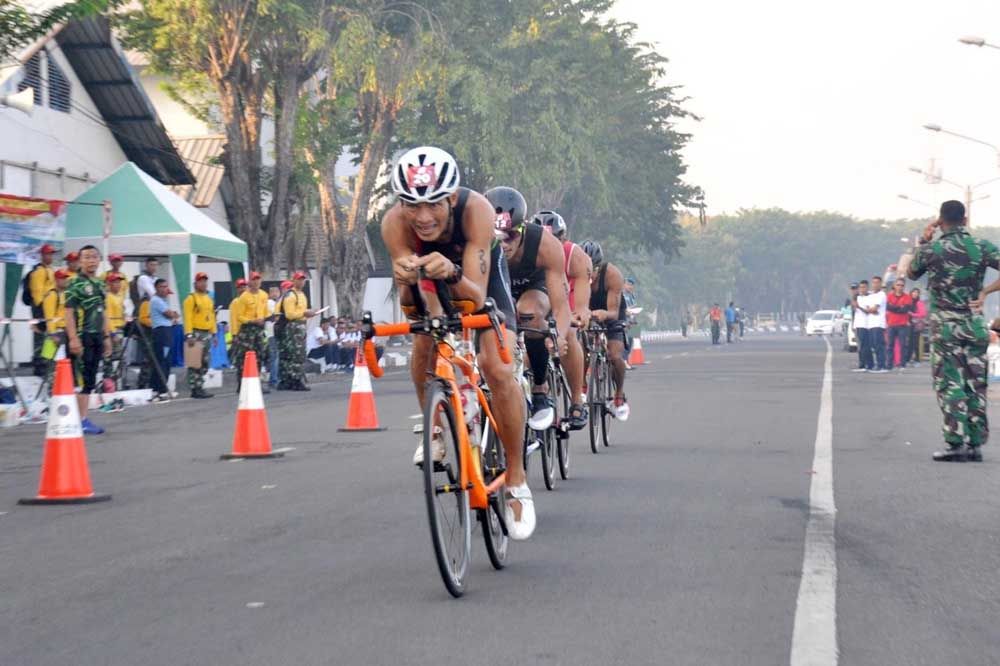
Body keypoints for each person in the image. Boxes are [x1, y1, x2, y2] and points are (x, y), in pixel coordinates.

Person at [381, 146, 532, 540]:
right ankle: (434, 430)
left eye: (433, 203)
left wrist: (450, 272)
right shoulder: (394, 225)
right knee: (424, 342)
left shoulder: (477, 210)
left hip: (481, 280)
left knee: (497, 367)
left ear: (451, 197)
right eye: (412, 205)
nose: (423, 217)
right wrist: (408, 281)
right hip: (430, 281)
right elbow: (410, 306)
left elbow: (476, 299)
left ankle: (516, 478)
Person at [908, 200, 1000, 462]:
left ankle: (955, 442)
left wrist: (924, 240)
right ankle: (975, 444)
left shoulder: (932, 249)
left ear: (940, 221)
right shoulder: (980, 246)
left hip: (945, 328)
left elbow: (912, 273)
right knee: (975, 384)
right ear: (965, 219)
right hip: (974, 324)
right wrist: (985, 292)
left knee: (950, 384)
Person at [490, 187, 571, 428]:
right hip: (496, 283)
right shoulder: (474, 236)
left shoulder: (546, 245)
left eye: (511, 235)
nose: (504, 244)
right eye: (497, 236)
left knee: (529, 312)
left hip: (534, 286)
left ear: (523, 228)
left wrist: (559, 335)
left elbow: (561, 305)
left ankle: (539, 387)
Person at [533, 209, 591, 430]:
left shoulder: (575, 256)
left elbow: (581, 300)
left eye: (554, 239)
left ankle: (577, 401)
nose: (549, 245)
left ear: (563, 238)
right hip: (537, 299)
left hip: (566, 300)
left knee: (569, 333)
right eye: (543, 239)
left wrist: (581, 312)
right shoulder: (524, 251)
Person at [63, 245, 111, 435]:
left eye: (94, 257)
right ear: (80, 261)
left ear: (99, 260)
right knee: (81, 379)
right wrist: (73, 338)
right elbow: (68, 313)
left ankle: (82, 419)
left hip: (97, 336)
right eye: (87, 257)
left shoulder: (100, 284)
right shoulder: (74, 283)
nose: (91, 260)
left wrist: (106, 336)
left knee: (90, 377)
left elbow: (103, 312)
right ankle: (79, 420)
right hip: (82, 336)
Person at [582, 239, 631, 420]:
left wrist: (604, 314)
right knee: (580, 346)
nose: (590, 275)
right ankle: (582, 386)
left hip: (612, 311)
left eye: (593, 269)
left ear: (600, 266)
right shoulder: (575, 273)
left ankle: (619, 394)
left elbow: (613, 312)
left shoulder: (612, 275)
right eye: (586, 270)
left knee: (614, 355)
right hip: (588, 310)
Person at [277, 271, 316, 391]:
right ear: (294, 281)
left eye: (303, 279)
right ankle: (296, 380)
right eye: (299, 279)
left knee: (296, 354)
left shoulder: (302, 295)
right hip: (293, 327)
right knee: (296, 355)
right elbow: (289, 314)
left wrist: (308, 313)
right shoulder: (291, 295)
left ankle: (288, 380)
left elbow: (301, 311)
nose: (301, 282)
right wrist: (304, 313)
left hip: (300, 326)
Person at [232, 271, 270, 393]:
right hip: (247, 330)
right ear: (250, 282)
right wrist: (252, 321)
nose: (256, 282)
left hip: (259, 330)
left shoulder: (264, 295)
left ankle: (255, 384)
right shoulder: (244, 297)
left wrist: (267, 318)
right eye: (254, 279)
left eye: (258, 279)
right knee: (244, 358)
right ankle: (242, 384)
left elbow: (265, 312)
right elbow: (239, 316)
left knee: (259, 357)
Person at [183, 272, 216, 399]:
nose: (203, 283)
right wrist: (189, 334)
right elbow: (187, 317)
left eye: (205, 281)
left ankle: (199, 384)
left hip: (206, 332)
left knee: (204, 361)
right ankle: (196, 388)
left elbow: (211, 316)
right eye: (200, 281)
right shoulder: (191, 298)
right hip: (196, 332)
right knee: (194, 362)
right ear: (195, 284)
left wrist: (214, 333)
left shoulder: (208, 298)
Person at [28, 243, 57, 376]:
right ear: (42, 255)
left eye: (51, 254)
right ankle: (39, 368)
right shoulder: (39, 272)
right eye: (48, 254)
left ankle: (45, 365)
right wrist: (41, 313)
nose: (50, 256)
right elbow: (37, 295)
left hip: (49, 311)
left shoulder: (50, 270)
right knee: (39, 339)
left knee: (48, 339)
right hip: (40, 311)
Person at [149, 278, 179, 402]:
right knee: (163, 361)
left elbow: (173, 315)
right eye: (162, 286)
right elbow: (170, 314)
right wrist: (173, 314)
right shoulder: (156, 300)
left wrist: (173, 314)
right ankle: (160, 390)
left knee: (165, 361)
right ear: (156, 288)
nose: (165, 289)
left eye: (166, 286)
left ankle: (158, 389)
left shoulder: (162, 301)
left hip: (165, 331)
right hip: (162, 332)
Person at [41, 268, 70, 392]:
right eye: (62, 278)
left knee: (62, 363)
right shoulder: (52, 295)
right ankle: (50, 391)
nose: (65, 280)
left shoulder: (65, 294)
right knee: (51, 365)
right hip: (55, 334)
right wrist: (52, 334)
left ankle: (60, 390)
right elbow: (49, 317)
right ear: (56, 280)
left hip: (64, 332)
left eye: (66, 278)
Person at [134, 257, 159, 389]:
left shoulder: (156, 279)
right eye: (151, 265)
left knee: (155, 353)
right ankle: (142, 382)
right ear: (146, 265)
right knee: (148, 354)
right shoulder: (143, 278)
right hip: (145, 317)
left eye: (155, 265)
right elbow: (154, 293)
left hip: (155, 316)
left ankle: (151, 381)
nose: (154, 267)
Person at [101, 272, 128, 390]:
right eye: (115, 282)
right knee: (110, 358)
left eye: (119, 282)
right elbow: (107, 316)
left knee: (120, 358)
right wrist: (111, 333)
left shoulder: (121, 296)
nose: (118, 284)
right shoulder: (107, 297)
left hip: (121, 328)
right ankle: (109, 384)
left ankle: (118, 383)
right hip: (112, 330)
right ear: (109, 284)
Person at [857, 276, 887, 372]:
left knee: (879, 345)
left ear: (880, 284)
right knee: (873, 346)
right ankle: (876, 365)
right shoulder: (872, 296)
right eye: (873, 282)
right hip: (871, 324)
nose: (875, 284)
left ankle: (882, 366)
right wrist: (871, 310)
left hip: (878, 323)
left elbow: (874, 309)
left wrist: (871, 310)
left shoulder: (882, 294)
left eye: (877, 282)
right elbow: (869, 309)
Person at [885, 278, 913, 370]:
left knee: (903, 345)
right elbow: (888, 307)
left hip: (902, 325)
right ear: (894, 286)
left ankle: (902, 364)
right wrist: (899, 307)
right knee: (890, 345)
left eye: (902, 285)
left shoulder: (907, 297)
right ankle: (889, 364)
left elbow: (905, 310)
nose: (900, 287)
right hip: (891, 324)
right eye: (898, 285)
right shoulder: (889, 296)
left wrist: (894, 308)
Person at [908, 288, 927, 365]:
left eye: (917, 292)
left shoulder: (919, 302)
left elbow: (923, 314)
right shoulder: (908, 302)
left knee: (916, 342)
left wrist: (912, 314)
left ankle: (917, 359)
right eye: (914, 292)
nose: (915, 293)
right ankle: (908, 359)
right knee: (909, 342)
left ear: (918, 294)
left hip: (916, 324)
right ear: (911, 293)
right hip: (909, 324)